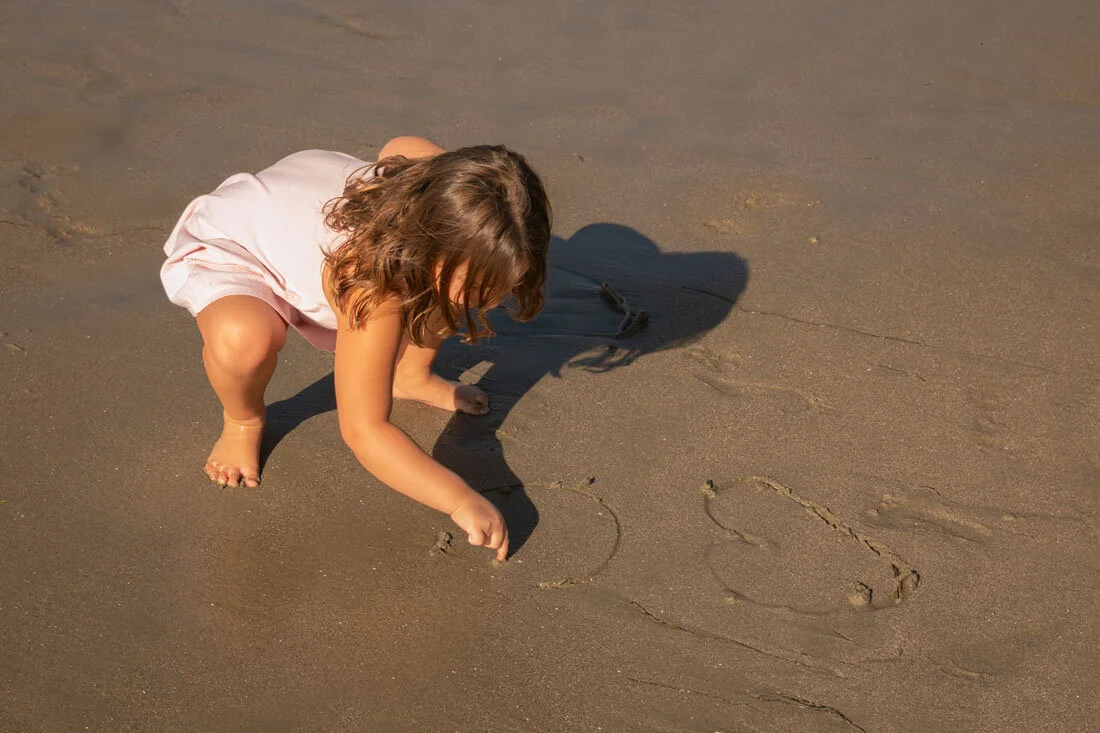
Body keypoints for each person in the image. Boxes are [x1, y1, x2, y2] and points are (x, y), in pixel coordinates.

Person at [160, 137, 551, 561]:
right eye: (482, 286)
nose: (494, 298)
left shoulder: (442, 185)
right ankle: (243, 420)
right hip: (236, 245)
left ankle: (410, 376)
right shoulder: (369, 285)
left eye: (506, 282)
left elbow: (400, 144)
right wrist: (459, 498)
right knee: (244, 340)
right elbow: (365, 431)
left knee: (443, 295)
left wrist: (468, 286)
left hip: (298, 207)